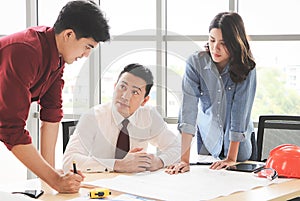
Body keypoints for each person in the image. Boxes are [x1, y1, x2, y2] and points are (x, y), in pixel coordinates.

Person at [0, 0, 110, 193]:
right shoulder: (26, 50)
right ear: (69, 35)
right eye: (88, 46)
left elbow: (51, 114)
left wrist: (52, 177)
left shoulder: (57, 59)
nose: (86, 55)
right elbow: (11, 129)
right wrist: (55, 179)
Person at [165, 12, 256, 174]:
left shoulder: (247, 68)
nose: (215, 48)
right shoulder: (196, 63)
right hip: (208, 143)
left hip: (238, 150)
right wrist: (184, 160)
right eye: (212, 40)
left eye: (223, 43)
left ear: (235, 43)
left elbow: (239, 114)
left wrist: (230, 159)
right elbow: (188, 111)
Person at [63, 63, 180, 173]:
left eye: (135, 92)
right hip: (97, 186)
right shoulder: (92, 117)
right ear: (115, 87)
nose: (125, 96)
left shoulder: (149, 115)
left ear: (144, 100)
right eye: (122, 87)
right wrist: (118, 165)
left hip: (134, 185)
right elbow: (68, 161)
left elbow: (177, 148)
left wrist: (159, 162)